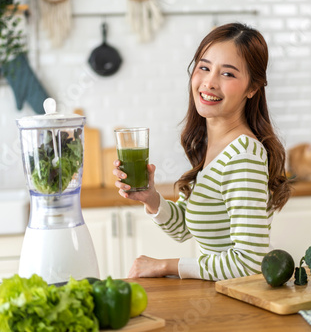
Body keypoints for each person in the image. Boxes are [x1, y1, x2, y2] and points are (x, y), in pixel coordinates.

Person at [113, 22, 291, 281]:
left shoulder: (243, 154)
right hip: (221, 295)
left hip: (238, 306)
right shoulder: (214, 147)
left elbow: (250, 262)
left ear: (252, 88)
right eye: (204, 67)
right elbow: (186, 227)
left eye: (228, 74)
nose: (209, 82)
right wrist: (150, 198)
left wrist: (165, 266)